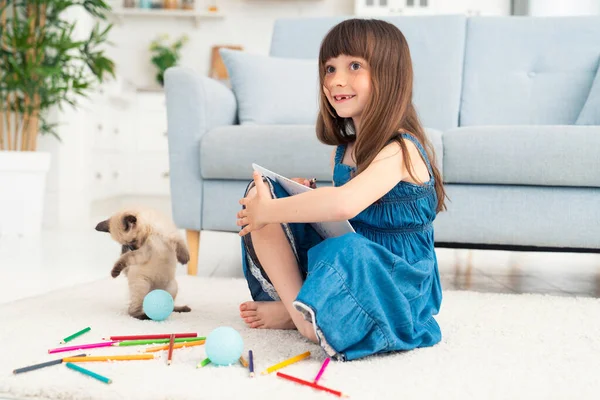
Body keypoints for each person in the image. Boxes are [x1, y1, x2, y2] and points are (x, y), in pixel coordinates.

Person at [235, 18, 448, 361]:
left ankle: (305, 320)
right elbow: (340, 212)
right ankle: (297, 307)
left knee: (346, 249)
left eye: (354, 66)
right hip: (350, 262)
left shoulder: (401, 149)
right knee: (262, 192)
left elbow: (345, 204)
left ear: (389, 75)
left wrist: (274, 212)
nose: (336, 80)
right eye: (329, 68)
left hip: (397, 286)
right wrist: (296, 198)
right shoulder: (347, 148)